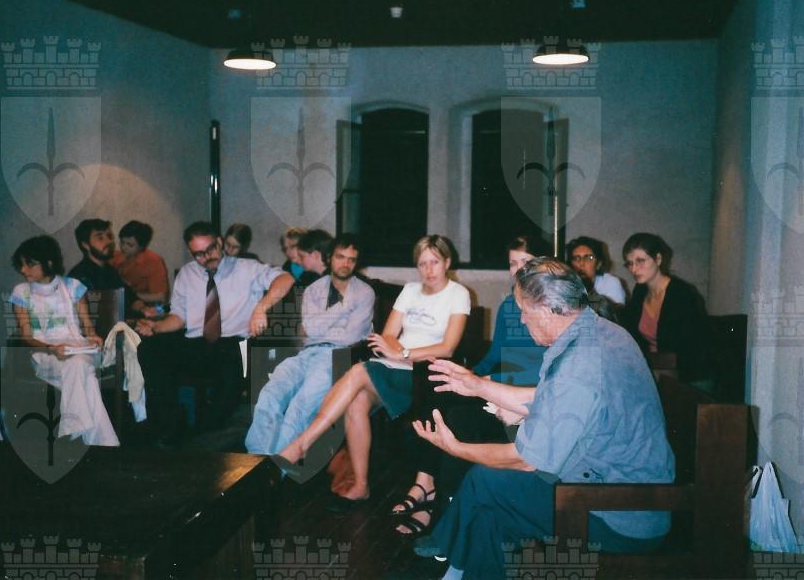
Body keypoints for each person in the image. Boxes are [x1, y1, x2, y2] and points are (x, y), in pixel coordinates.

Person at [415, 258, 674, 578]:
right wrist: (476, 385)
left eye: (524, 310)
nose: (522, 319)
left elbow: (525, 460)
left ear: (548, 308)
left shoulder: (580, 361)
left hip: (619, 515)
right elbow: (551, 398)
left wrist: (455, 448)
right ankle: (455, 567)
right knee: (493, 512)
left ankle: (448, 553)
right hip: (628, 497)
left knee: (487, 481)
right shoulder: (598, 332)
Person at [277, 235, 470, 510]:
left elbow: (447, 348)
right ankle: (360, 486)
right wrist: (396, 353)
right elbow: (388, 334)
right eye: (422, 263)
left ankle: (303, 443)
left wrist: (403, 354)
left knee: (358, 372)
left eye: (435, 262)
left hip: (425, 374)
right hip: (394, 366)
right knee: (356, 401)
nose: (428, 270)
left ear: (447, 262)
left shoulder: (458, 294)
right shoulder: (411, 290)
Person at [391, 235, 549, 537]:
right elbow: (495, 355)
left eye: (525, 262)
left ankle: (436, 501)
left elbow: (540, 369)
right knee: (437, 382)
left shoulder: (549, 307)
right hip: (499, 381)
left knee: (457, 415)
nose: (518, 270)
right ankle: (425, 482)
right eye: (512, 263)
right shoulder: (509, 304)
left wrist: (483, 382)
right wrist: (469, 373)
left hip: (518, 392)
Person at [135, 222, 294, 440]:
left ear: (219, 242)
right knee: (150, 349)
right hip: (196, 343)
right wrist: (156, 326)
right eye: (198, 254)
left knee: (230, 359)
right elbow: (178, 317)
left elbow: (286, 279)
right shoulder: (187, 274)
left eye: (211, 249)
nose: (207, 257)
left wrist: (261, 308)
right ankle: (169, 425)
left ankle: (206, 432)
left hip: (234, 342)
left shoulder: (247, 268)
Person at [245, 232, 374, 456]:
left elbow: (350, 337)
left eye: (351, 259)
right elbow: (311, 330)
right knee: (270, 393)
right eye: (340, 257)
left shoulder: (364, 292)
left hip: (338, 356)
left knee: (301, 405)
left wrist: (323, 322)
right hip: (306, 353)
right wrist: (344, 309)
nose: (345, 264)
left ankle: (277, 465)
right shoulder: (314, 289)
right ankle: (257, 458)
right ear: (329, 258)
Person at [9, 235, 119, 447]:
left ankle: (75, 431)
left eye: (30, 264)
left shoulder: (73, 286)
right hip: (45, 353)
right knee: (82, 371)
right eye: (21, 264)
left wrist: (94, 337)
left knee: (77, 364)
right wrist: (51, 348)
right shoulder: (21, 292)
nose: (23, 270)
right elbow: (27, 336)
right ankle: (102, 441)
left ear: (49, 263)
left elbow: (87, 327)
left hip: (78, 348)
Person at [620, 232, 710, 382]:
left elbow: (689, 348)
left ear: (658, 259)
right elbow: (630, 332)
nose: (634, 269)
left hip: (687, 373)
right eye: (630, 263)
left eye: (640, 261)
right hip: (655, 367)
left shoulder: (682, 293)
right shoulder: (640, 291)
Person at [111, 220, 170, 317]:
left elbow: (161, 297)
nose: (124, 247)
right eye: (122, 242)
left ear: (141, 246)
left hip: (145, 311)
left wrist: (130, 295)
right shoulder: (115, 256)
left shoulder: (153, 261)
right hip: (119, 308)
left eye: (130, 245)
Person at [566, 235, 627, 305]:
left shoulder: (610, 283)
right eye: (576, 258)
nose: (581, 263)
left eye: (589, 258)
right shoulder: (565, 284)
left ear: (599, 264)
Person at [67, 219, 125, 291]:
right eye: (100, 238)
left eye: (109, 236)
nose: (108, 241)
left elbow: (127, 294)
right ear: (86, 245)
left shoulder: (111, 270)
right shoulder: (78, 277)